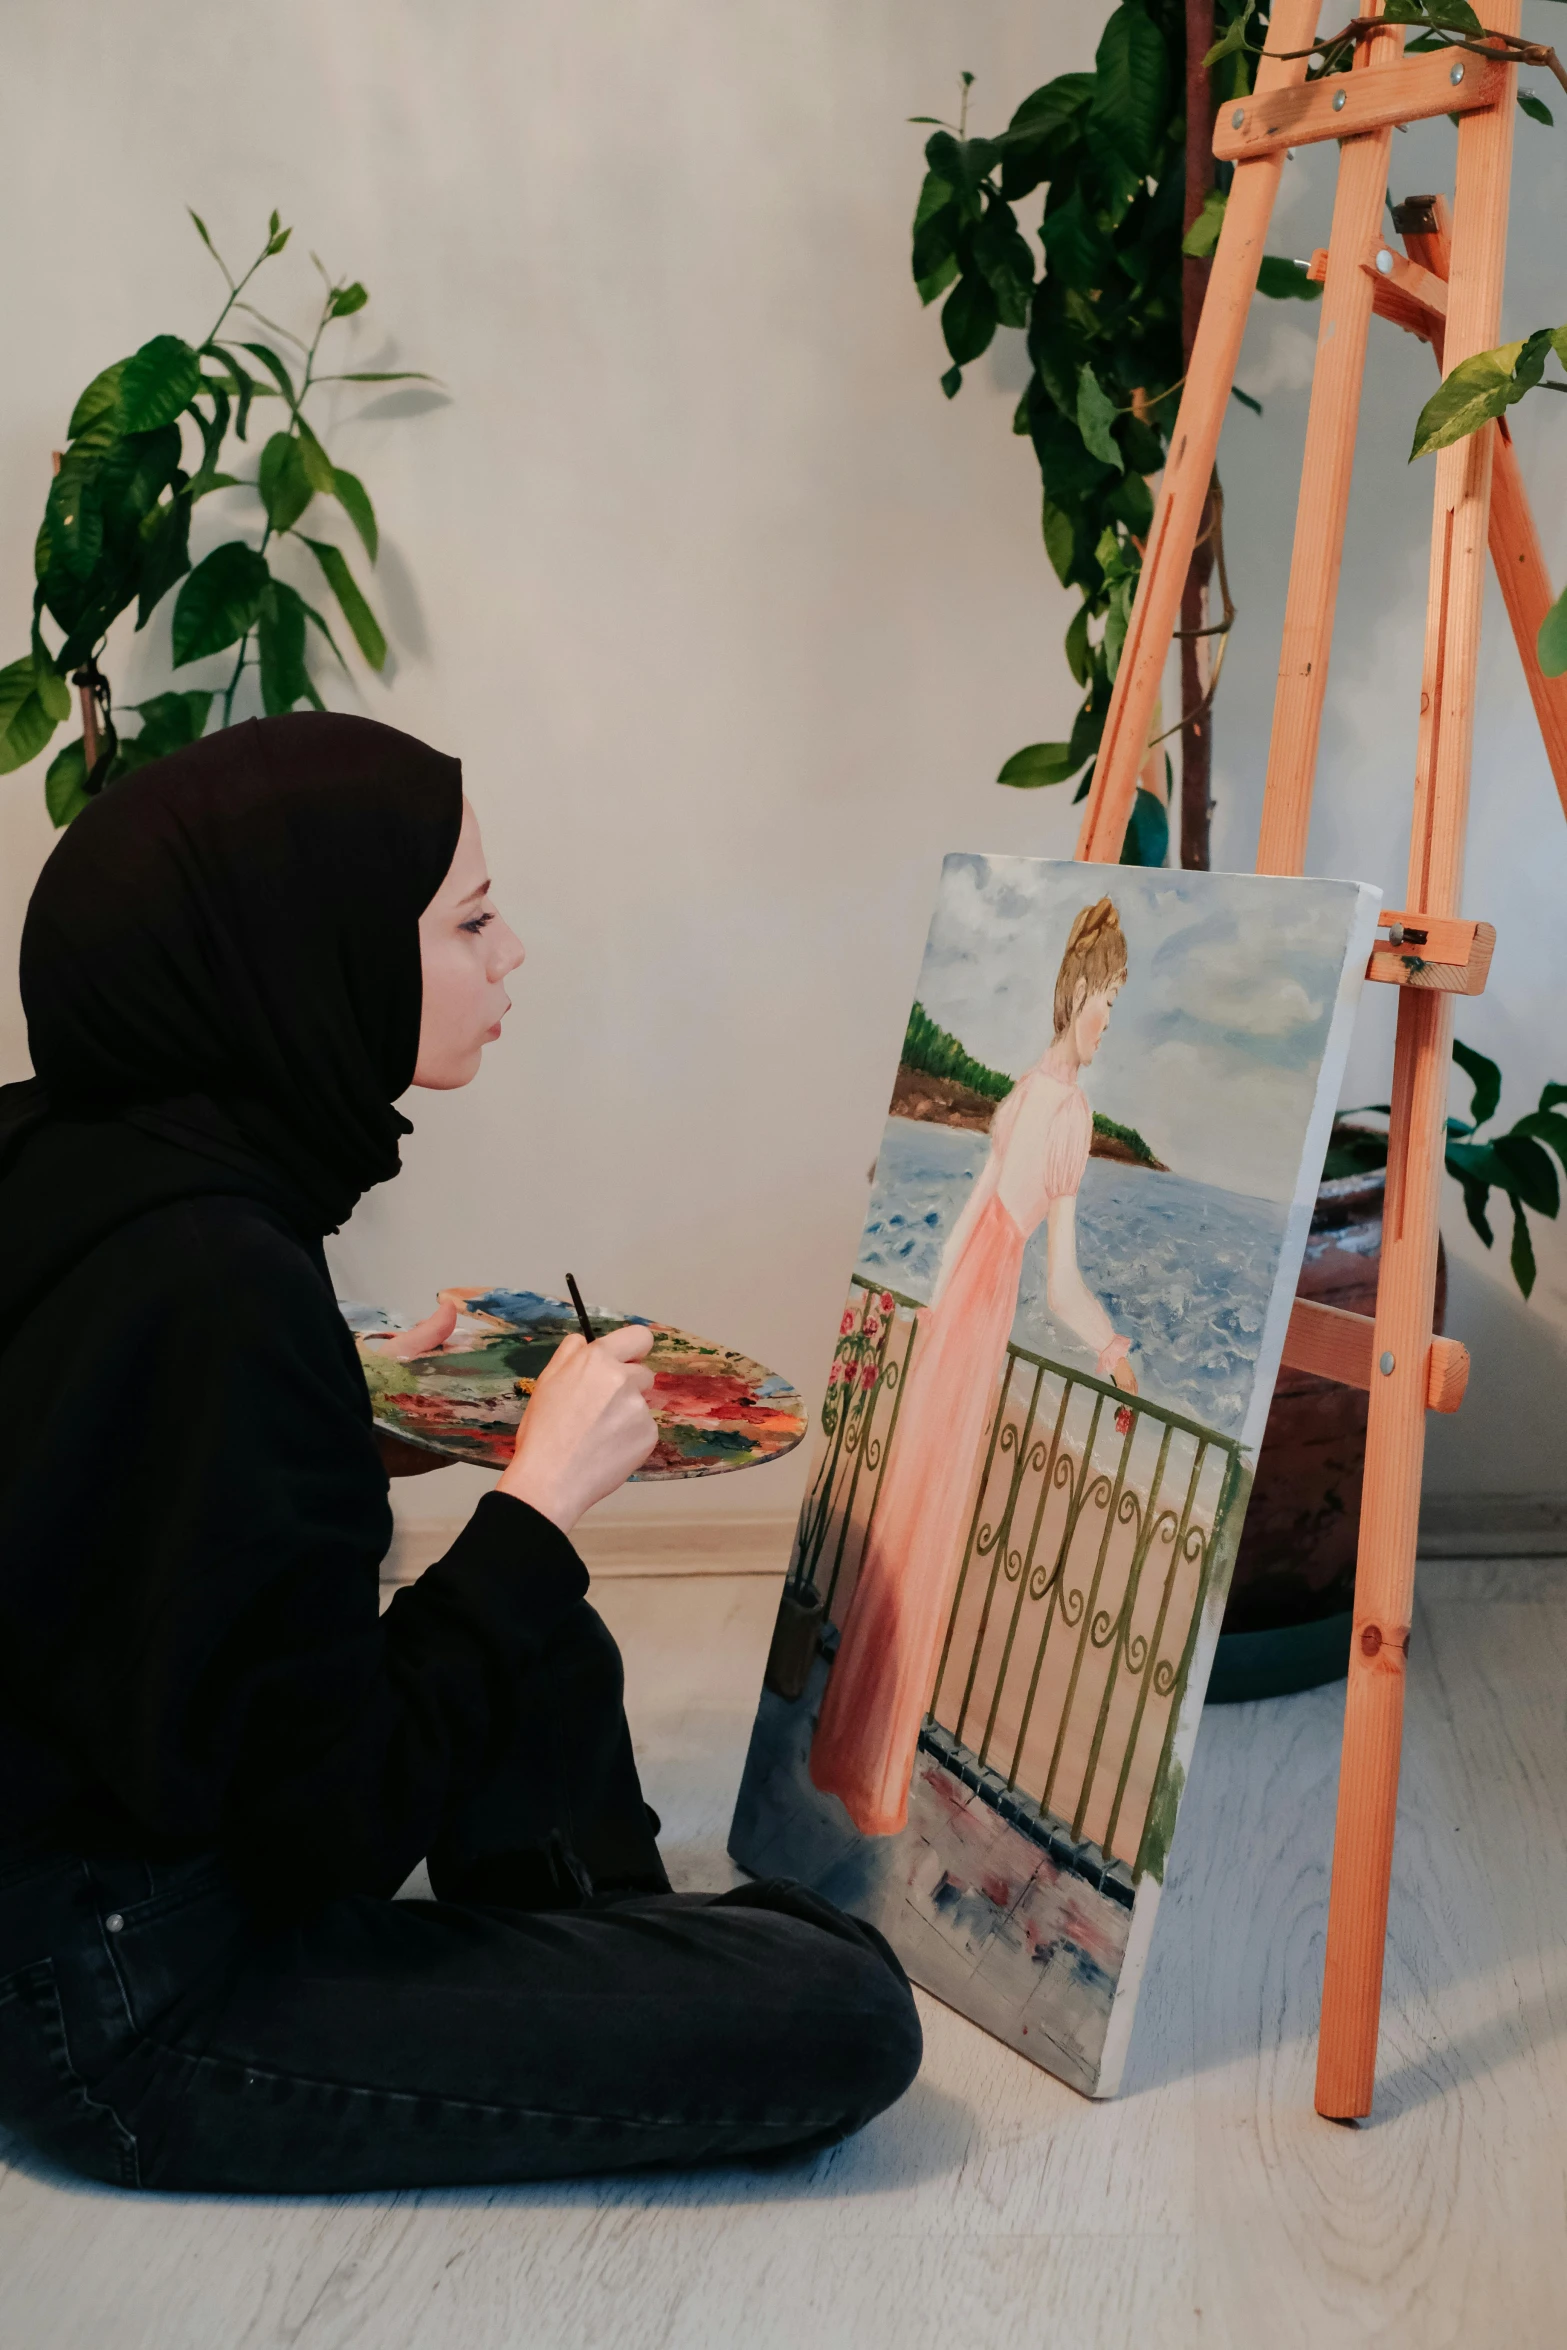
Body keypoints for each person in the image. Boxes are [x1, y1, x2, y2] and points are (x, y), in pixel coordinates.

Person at [0, 713, 920, 2194]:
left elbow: (117, 1468)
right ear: (319, 950)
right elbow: (323, 1841)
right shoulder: (222, 1284)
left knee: (536, 1653)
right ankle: (608, 1978)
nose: (510, 957)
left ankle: (581, 1973)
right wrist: (536, 1503)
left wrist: (364, 1389)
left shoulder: (83, 1156)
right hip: (125, 2009)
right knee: (845, 2010)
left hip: (65, 1884)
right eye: (467, 919)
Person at [808, 897, 1134, 1838]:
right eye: (1106, 997)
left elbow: (963, 1224)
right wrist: (1111, 1348)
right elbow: (1062, 1285)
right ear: (1076, 993)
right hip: (978, 1318)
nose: (1109, 1018)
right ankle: (874, 1780)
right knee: (932, 1537)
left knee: (902, 1531)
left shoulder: (1026, 1093)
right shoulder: (1066, 1111)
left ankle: (847, 1754)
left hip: (955, 1311)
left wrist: (924, 1315)